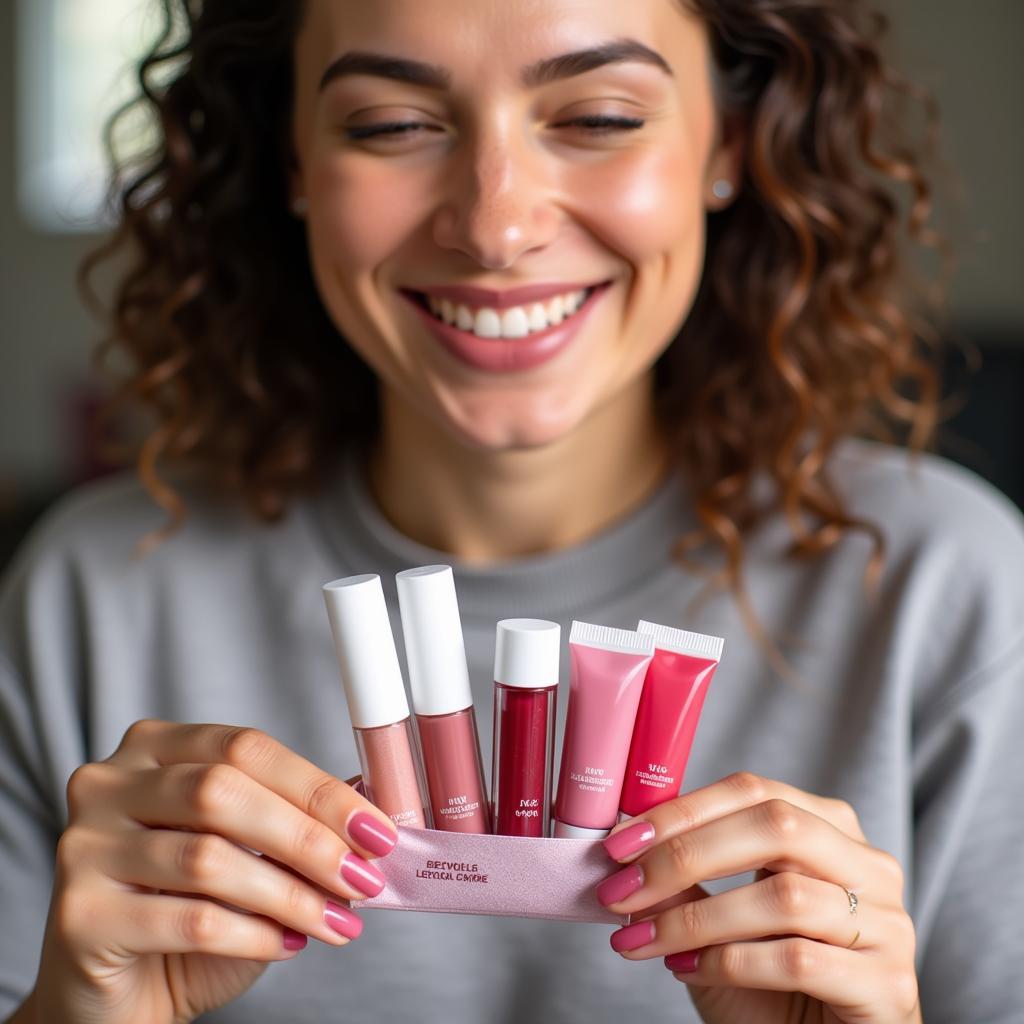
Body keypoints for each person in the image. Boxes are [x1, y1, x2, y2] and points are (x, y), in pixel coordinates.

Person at [2, 0, 1022, 1021]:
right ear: (294, 165)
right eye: (392, 125)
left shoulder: (947, 589)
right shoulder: (91, 598)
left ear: (730, 147)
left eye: (600, 117)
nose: (495, 226)